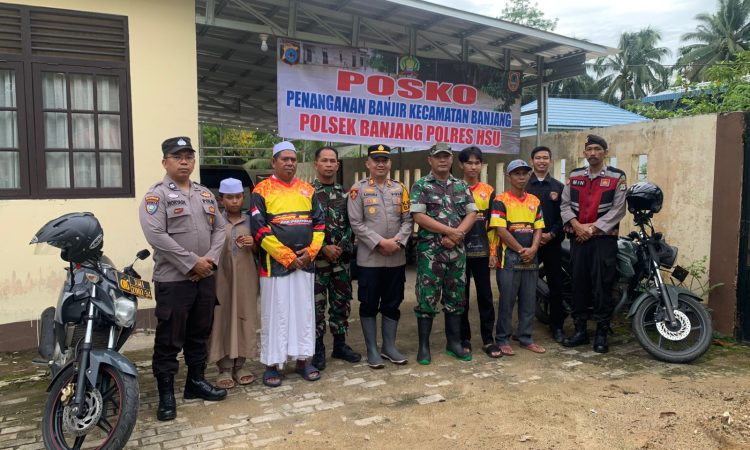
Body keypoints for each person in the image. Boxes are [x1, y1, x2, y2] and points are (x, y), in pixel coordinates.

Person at [139, 136, 227, 422]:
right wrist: (192, 263)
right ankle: (166, 394)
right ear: (165, 162)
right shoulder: (157, 196)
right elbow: (156, 235)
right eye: (177, 157)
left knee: (199, 333)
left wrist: (209, 260)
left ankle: (195, 383)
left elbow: (220, 229)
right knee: (169, 339)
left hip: (205, 277)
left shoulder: (205, 194)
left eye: (189, 156)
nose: (185, 161)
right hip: (174, 280)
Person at [250, 141, 325, 387]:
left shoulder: (307, 190)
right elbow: (258, 228)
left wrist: (309, 253)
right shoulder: (261, 190)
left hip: (305, 264)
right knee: (276, 314)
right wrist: (287, 257)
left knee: (303, 313)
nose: (290, 163)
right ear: (274, 162)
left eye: (293, 159)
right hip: (274, 267)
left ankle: (303, 360)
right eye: (285, 159)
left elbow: (320, 224)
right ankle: (272, 364)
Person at [410, 143, 477, 365]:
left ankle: (454, 343)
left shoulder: (461, 185)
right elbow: (419, 217)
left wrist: (458, 235)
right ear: (430, 160)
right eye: (438, 157)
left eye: (446, 156)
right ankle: (423, 347)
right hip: (431, 253)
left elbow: (472, 213)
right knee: (427, 298)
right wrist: (450, 232)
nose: (442, 160)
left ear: (451, 159)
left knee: (456, 298)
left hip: (456, 253)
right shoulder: (421, 185)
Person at [347, 144, 412, 369]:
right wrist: (380, 242)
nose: (381, 164)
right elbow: (356, 223)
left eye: (384, 160)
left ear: (390, 163)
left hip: (396, 258)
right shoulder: (358, 189)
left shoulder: (400, 188)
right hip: (370, 259)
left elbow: (408, 219)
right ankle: (372, 349)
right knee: (369, 303)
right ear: (368, 163)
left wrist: (398, 242)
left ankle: (389, 347)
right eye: (376, 160)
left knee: (393, 303)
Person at [560, 134, 627, 353]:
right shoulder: (575, 175)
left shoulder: (617, 177)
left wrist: (591, 229)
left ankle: (601, 334)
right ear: (584, 153)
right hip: (578, 240)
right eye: (589, 150)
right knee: (578, 285)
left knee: (602, 286)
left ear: (605, 152)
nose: (593, 153)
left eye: (597, 149)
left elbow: (618, 209)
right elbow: (564, 204)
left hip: (603, 241)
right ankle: (580, 331)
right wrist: (577, 226)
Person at [311, 146, 361, 370]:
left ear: (338, 165)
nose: (329, 165)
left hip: (341, 261)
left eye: (333, 161)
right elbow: (303, 226)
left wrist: (340, 247)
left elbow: (353, 224)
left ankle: (340, 345)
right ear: (316, 164)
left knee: (341, 304)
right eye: (325, 160)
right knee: (316, 306)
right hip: (317, 262)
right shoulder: (307, 193)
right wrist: (323, 248)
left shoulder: (346, 194)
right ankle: (318, 349)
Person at [489, 159, 546, 356]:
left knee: (529, 299)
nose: (521, 177)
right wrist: (522, 250)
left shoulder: (534, 201)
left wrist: (534, 248)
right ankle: (503, 338)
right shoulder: (501, 200)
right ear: (509, 177)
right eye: (517, 174)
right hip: (509, 259)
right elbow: (501, 230)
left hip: (531, 257)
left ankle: (525, 337)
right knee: (507, 300)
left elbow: (538, 227)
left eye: (524, 174)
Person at [207, 177, 259, 389]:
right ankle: (224, 368)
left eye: (238, 196)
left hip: (246, 278)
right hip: (221, 279)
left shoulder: (252, 221)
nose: (235, 201)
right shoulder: (214, 222)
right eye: (230, 197)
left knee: (245, 317)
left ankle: (241, 365)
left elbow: (262, 249)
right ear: (221, 199)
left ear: (243, 197)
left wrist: (253, 243)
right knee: (222, 318)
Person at [456, 146, 500, 358]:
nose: (473, 167)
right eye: (469, 163)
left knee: (485, 296)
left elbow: (494, 224)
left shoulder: (489, 191)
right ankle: (464, 339)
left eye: (477, 163)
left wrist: (493, 252)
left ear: (481, 165)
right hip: (459, 253)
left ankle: (488, 339)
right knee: (461, 297)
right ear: (461, 165)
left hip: (482, 253)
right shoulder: (454, 188)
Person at [525, 146, 566, 343]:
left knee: (556, 285)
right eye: (538, 158)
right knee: (525, 286)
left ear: (550, 161)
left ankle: (557, 326)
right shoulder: (524, 186)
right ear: (532, 161)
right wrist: (534, 237)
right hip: (528, 244)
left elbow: (564, 215)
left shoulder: (559, 187)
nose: (541, 161)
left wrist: (551, 234)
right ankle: (524, 329)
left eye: (545, 158)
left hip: (552, 243)